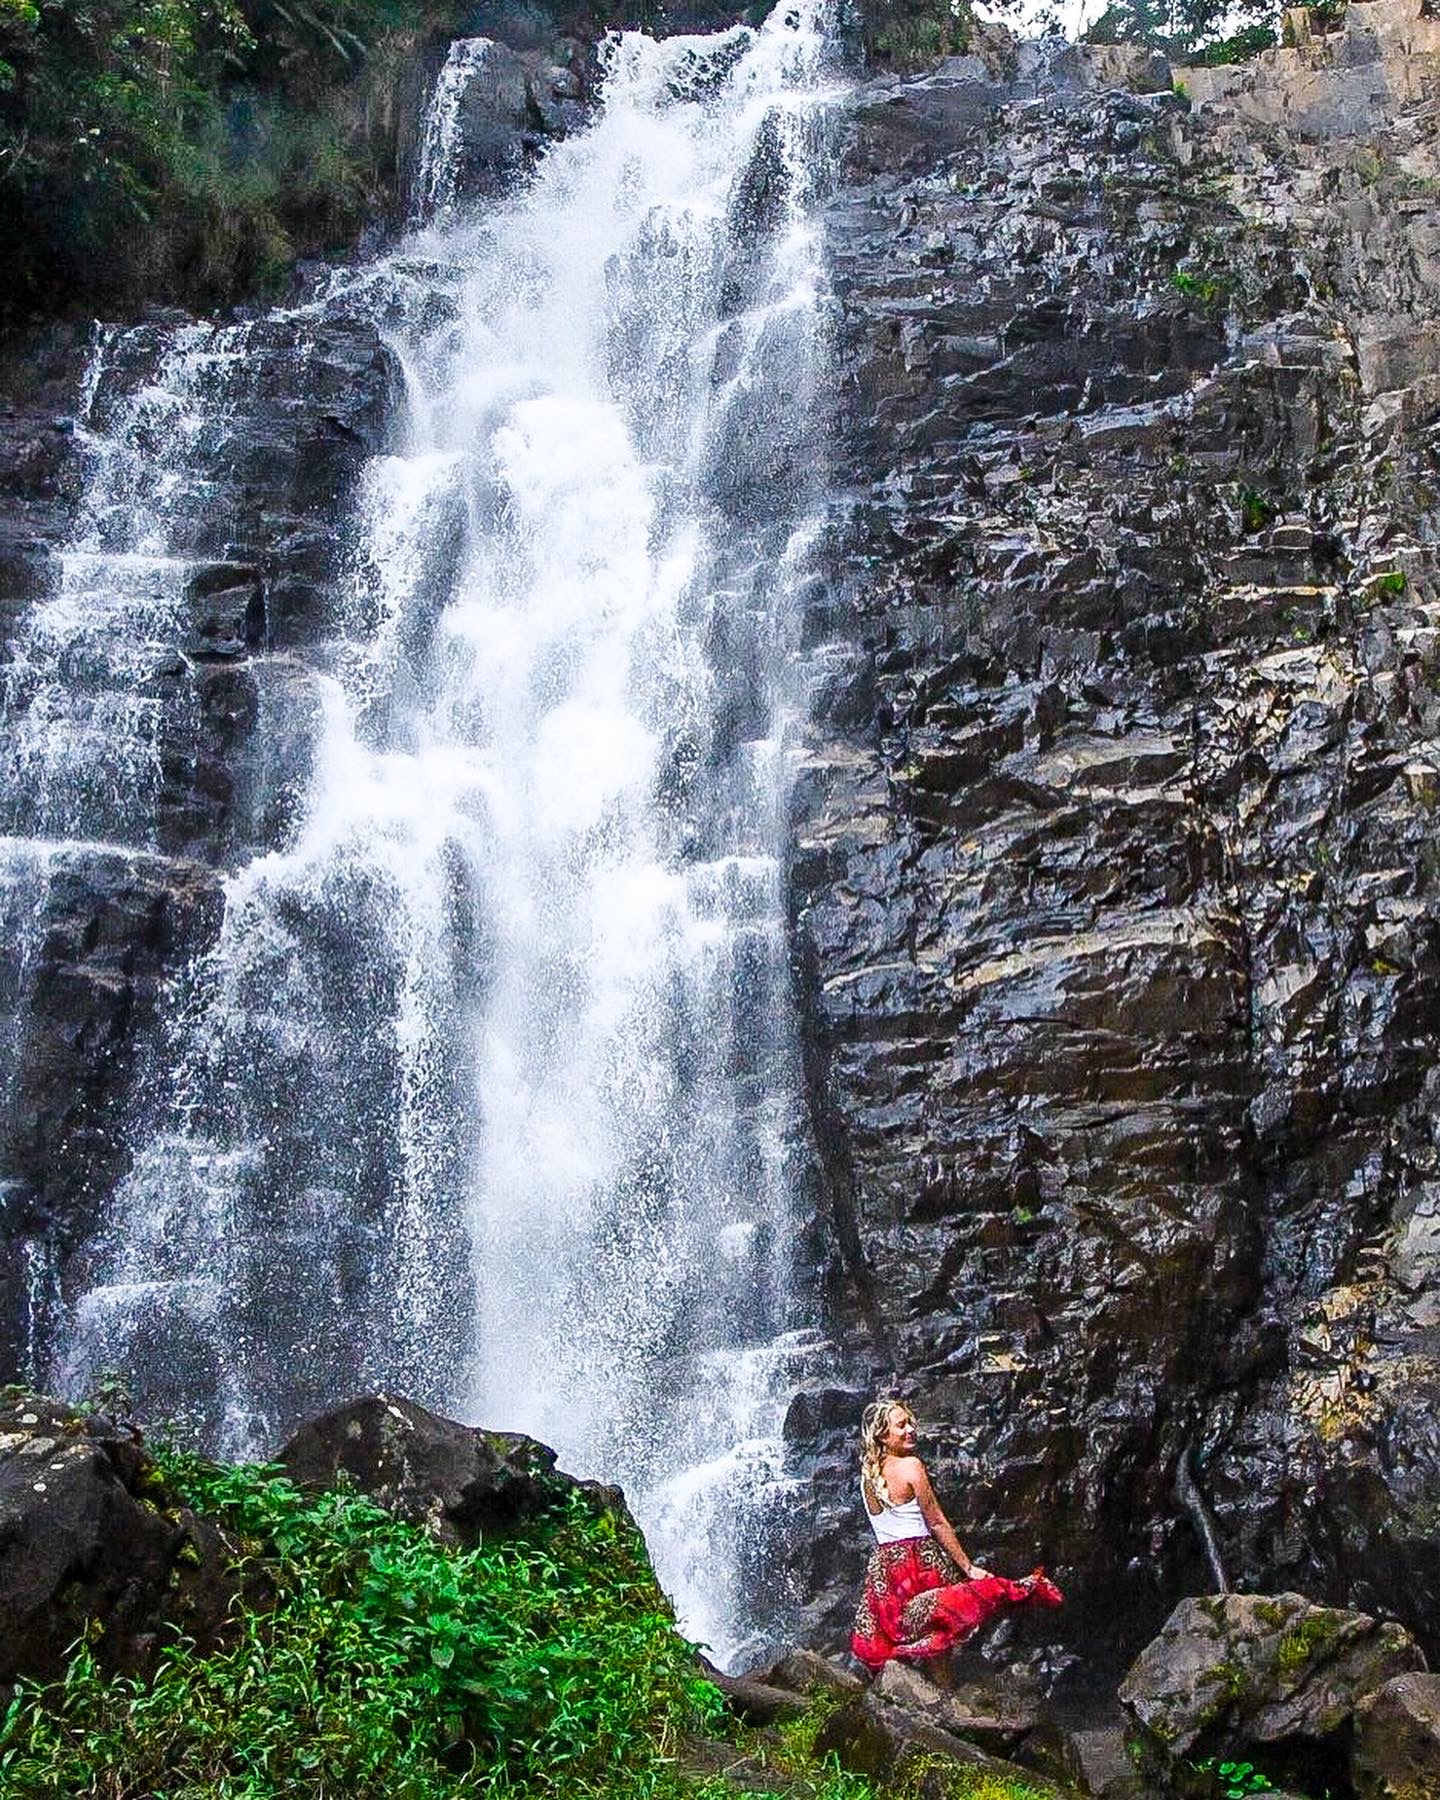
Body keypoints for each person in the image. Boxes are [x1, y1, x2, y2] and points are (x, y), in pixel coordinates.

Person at [850, 1397, 1062, 1675]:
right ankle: (943, 1691)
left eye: (911, 1422)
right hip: (919, 1562)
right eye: (901, 1425)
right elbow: (937, 1522)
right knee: (942, 1631)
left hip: (885, 1571)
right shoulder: (911, 1466)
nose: (911, 1429)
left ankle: (906, 1692)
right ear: (882, 1434)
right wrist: (969, 1567)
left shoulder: (867, 1474)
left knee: (901, 1638)